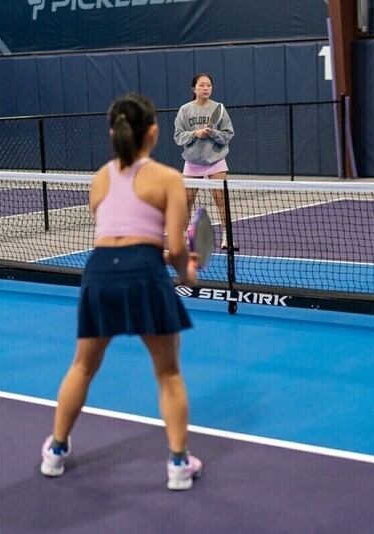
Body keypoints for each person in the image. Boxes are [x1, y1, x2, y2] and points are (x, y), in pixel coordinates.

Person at [40, 93, 203, 491]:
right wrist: (186, 271)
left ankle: (56, 451)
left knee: (82, 366)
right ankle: (179, 463)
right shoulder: (168, 178)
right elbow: (175, 250)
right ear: (153, 133)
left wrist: (160, 257)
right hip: (143, 273)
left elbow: (121, 237)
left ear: (113, 133)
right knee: (168, 372)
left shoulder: (99, 178)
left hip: (99, 272)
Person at [174, 73, 237, 250]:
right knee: (185, 201)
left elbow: (228, 134)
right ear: (194, 89)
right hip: (193, 162)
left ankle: (227, 237)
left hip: (216, 160)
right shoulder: (185, 110)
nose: (205, 88)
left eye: (208, 85)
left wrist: (213, 133)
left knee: (221, 200)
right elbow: (178, 136)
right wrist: (195, 133)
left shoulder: (219, 108)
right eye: (201, 85)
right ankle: (185, 237)